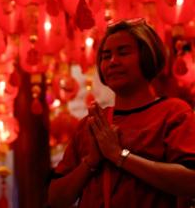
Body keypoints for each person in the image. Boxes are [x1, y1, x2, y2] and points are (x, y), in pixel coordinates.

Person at [48, 18, 195, 208]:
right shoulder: (91, 124)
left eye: (123, 52)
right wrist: (90, 162)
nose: (113, 62)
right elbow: (55, 199)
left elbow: (190, 181)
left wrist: (119, 156)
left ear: (147, 56)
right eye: (106, 56)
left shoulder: (173, 112)